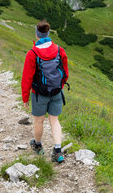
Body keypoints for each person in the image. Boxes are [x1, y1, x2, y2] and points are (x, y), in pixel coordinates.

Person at [21, 20, 69, 163]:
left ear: (36, 35)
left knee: (39, 121)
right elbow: (65, 72)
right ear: (48, 33)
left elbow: (27, 78)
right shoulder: (60, 50)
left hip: (39, 93)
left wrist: (25, 97)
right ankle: (58, 151)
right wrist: (59, 85)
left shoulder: (33, 53)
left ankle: (38, 145)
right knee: (54, 120)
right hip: (56, 91)